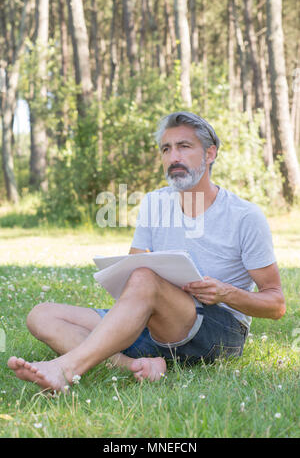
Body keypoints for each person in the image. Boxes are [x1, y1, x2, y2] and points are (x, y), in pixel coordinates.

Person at [8, 111, 286, 391]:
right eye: (166, 149)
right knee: (42, 315)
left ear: (210, 154)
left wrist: (226, 292)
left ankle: (65, 370)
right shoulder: (154, 203)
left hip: (219, 329)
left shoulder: (245, 216)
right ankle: (135, 365)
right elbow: (133, 268)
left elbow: (276, 304)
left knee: (144, 277)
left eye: (184, 147)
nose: (173, 157)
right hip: (155, 320)